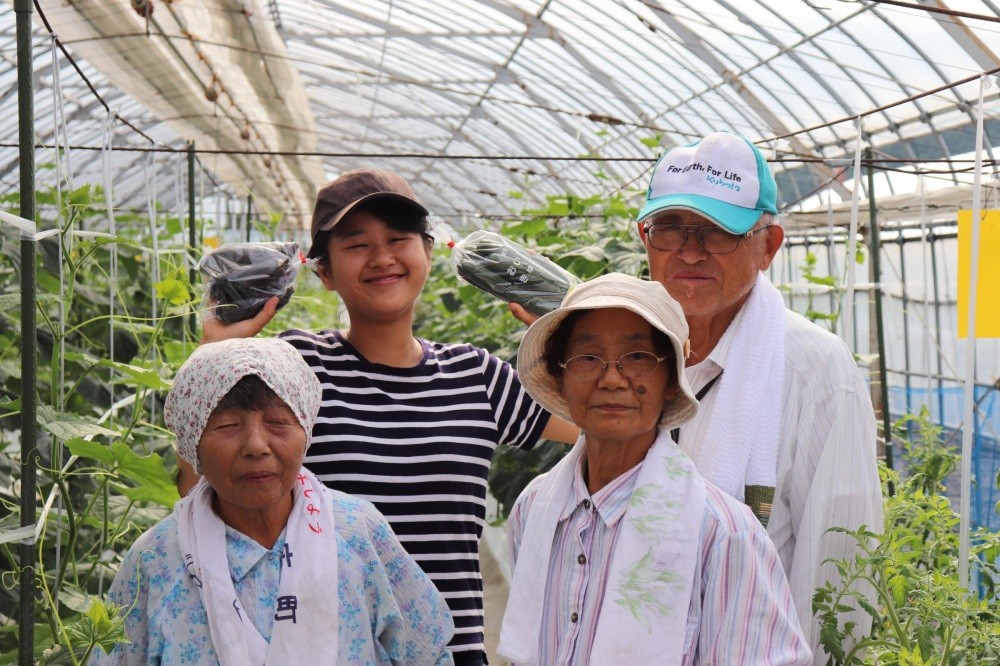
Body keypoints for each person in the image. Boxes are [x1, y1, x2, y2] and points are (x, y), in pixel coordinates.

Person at [193, 168, 580, 665]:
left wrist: (576, 325)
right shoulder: (296, 368)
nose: (382, 258)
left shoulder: (477, 376)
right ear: (324, 273)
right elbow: (199, 486)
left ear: (427, 251)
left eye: (399, 239)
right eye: (356, 245)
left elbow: (609, 423)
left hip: (452, 654)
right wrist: (214, 360)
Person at [635, 132, 883, 661]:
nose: (690, 251)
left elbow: (840, 575)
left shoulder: (815, 370)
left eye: (718, 231)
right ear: (645, 239)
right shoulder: (632, 356)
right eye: (671, 229)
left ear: (768, 247)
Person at [498, 273, 812, 665]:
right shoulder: (534, 510)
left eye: (638, 358)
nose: (612, 379)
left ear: (670, 381)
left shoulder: (723, 533)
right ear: (560, 378)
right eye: (588, 358)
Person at [93, 337, 454, 665]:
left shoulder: (357, 531)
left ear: (305, 430)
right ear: (193, 445)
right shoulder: (156, 559)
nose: (256, 446)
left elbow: (429, 651)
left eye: (278, 422)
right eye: (228, 426)